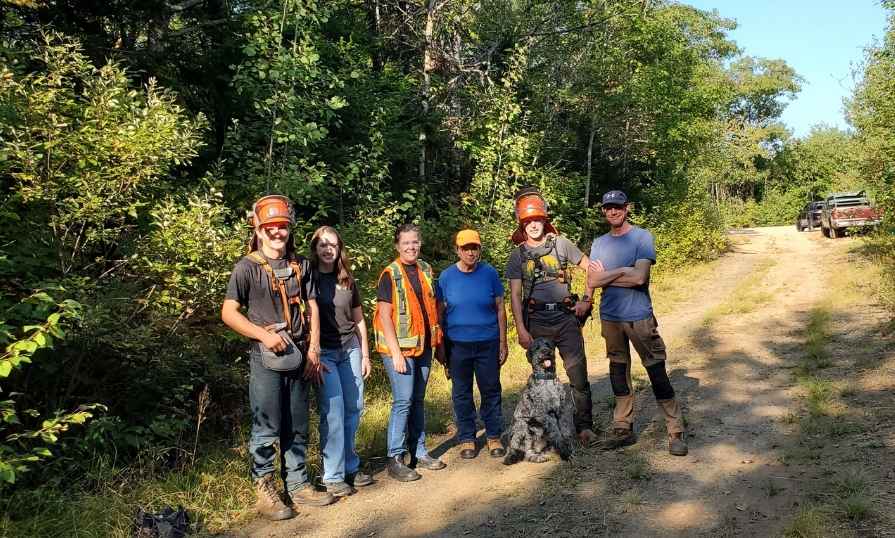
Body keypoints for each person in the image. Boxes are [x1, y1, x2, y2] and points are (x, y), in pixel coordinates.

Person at [221, 194, 334, 522]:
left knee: (297, 423)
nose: (276, 233)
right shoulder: (246, 268)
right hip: (266, 357)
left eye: (282, 227)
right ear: (258, 228)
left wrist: (314, 348)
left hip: (300, 355)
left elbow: (312, 306)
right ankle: (265, 490)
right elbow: (229, 312)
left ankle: (297, 483)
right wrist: (263, 335)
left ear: (289, 228)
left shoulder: (302, 266)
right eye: (270, 227)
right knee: (266, 426)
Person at [587, 190, 687, 456]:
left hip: (639, 315)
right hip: (610, 316)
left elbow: (640, 278)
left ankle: (675, 430)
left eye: (617, 207)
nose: (612, 212)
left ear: (627, 208)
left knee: (656, 370)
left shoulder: (642, 237)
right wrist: (623, 270)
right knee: (618, 371)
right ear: (603, 211)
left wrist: (608, 275)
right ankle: (623, 426)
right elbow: (592, 282)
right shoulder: (599, 243)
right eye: (608, 207)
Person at [505, 187, 599, 446]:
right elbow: (515, 295)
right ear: (522, 225)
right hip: (537, 323)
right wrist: (522, 330)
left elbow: (591, 269)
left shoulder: (562, 244)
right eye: (528, 222)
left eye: (537, 220)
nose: (533, 225)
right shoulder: (518, 255)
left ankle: (584, 427)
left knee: (577, 375)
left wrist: (587, 301)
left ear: (544, 220)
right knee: (544, 379)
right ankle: (549, 430)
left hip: (566, 319)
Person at [373, 223, 446, 481]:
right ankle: (395, 457)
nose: (411, 247)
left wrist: (438, 345)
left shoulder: (426, 269)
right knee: (403, 401)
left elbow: (432, 307)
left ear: (420, 243)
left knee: (417, 399)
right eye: (406, 243)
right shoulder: (389, 274)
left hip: (423, 346)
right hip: (399, 349)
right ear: (397, 246)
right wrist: (395, 353)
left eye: (414, 242)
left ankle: (419, 451)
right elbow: (384, 315)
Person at [309, 226, 374, 496]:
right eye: (323, 245)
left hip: (350, 350)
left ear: (339, 249)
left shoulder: (346, 278)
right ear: (315, 248)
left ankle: (350, 466)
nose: (328, 249)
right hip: (324, 354)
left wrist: (366, 354)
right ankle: (332, 475)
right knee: (333, 412)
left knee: (354, 407)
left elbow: (359, 319)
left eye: (333, 245)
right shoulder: (307, 277)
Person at [435, 229, 508, 460]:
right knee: (461, 393)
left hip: (488, 342)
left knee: (490, 389)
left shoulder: (490, 274)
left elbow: (500, 309)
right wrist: (441, 347)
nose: (470, 252)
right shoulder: (446, 277)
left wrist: (503, 342)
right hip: (457, 345)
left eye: (474, 247)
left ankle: (494, 435)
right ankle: (467, 436)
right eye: (465, 248)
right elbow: (439, 314)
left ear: (479, 249)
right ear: (457, 250)